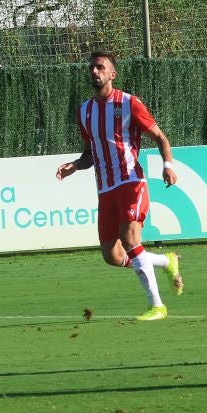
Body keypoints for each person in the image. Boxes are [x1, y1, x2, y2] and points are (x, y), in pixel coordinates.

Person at [54, 51, 185, 321]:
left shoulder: (129, 103)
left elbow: (160, 137)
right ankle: (164, 260)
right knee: (112, 255)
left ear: (112, 74)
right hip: (105, 189)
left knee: (129, 238)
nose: (94, 71)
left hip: (130, 181)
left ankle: (157, 305)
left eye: (100, 67)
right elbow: (89, 154)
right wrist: (75, 166)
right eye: (91, 67)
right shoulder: (85, 111)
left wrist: (168, 165)